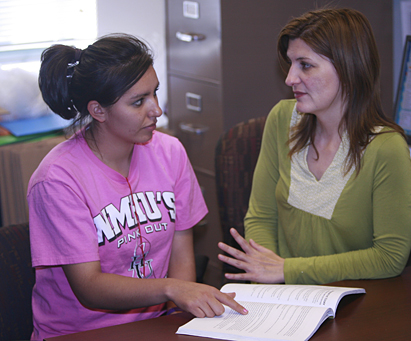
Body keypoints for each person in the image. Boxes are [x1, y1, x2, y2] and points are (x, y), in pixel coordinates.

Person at [28, 33, 247, 340]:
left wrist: (176, 318)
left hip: (156, 325)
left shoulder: (170, 152)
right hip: (79, 333)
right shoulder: (57, 179)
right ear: (98, 111)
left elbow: (181, 253)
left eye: (155, 93)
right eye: (138, 101)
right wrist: (172, 288)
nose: (156, 109)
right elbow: (89, 287)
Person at [218, 8, 411, 285]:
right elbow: (261, 218)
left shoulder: (386, 148)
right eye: (291, 64)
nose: (290, 79)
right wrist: (268, 278)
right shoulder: (282, 119)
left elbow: (389, 257)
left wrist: (287, 270)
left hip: (352, 306)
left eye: (305, 65)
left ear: (349, 68)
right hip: (282, 296)